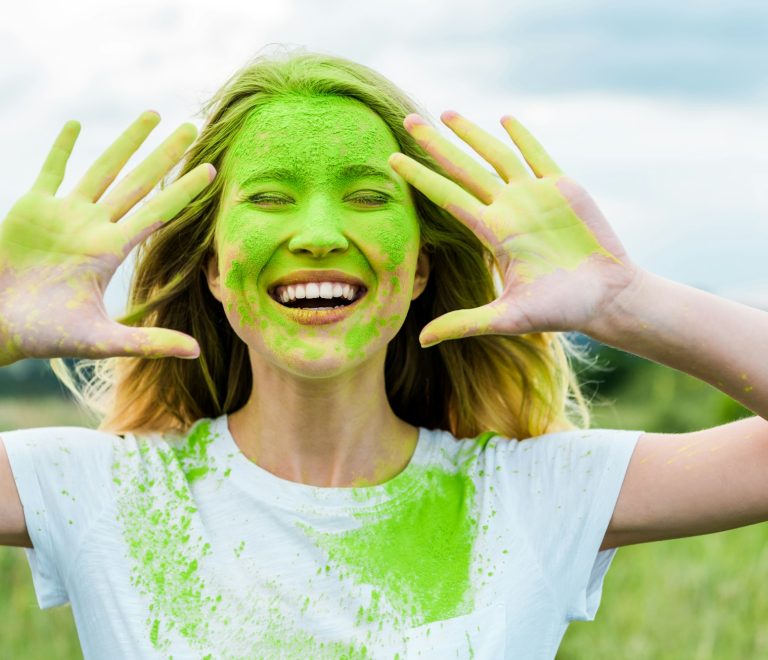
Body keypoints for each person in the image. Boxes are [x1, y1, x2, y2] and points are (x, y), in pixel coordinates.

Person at [0, 46, 766, 659]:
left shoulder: (532, 495)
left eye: (367, 197)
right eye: (270, 198)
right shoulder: (102, 491)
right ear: (214, 271)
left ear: (421, 270)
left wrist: (625, 302)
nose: (320, 233)